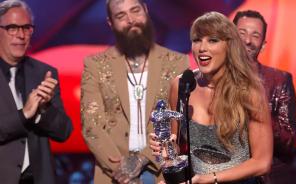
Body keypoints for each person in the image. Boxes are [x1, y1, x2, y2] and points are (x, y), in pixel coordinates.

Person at [150, 11, 273, 183]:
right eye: (197, 40)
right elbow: (177, 147)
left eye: (213, 40)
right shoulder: (182, 85)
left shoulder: (249, 92)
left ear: (229, 46)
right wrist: (166, 149)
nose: (202, 48)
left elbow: (262, 162)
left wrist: (209, 179)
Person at [80, 0, 189, 183]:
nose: (131, 20)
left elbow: (179, 120)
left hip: (161, 172)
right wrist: (121, 170)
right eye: (121, 16)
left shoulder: (176, 62)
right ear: (110, 23)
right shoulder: (96, 65)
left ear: (146, 11)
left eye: (135, 11)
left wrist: (143, 157)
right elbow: (91, 125)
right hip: (114, 174)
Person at [0, 0, 73, 184]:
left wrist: (44, 109)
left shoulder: (44, 73)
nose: (21, 35)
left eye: (26, 28)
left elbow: (64, 132)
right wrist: (24, 114)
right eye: (12, 28)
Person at [233, 10, 296, 183]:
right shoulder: (213, 78)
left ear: (263, 44)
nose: (248, 40)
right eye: (242, 33)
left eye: (255, 35)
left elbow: (289, 141)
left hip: (264, 177)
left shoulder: (278, 80)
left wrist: (257, 113)